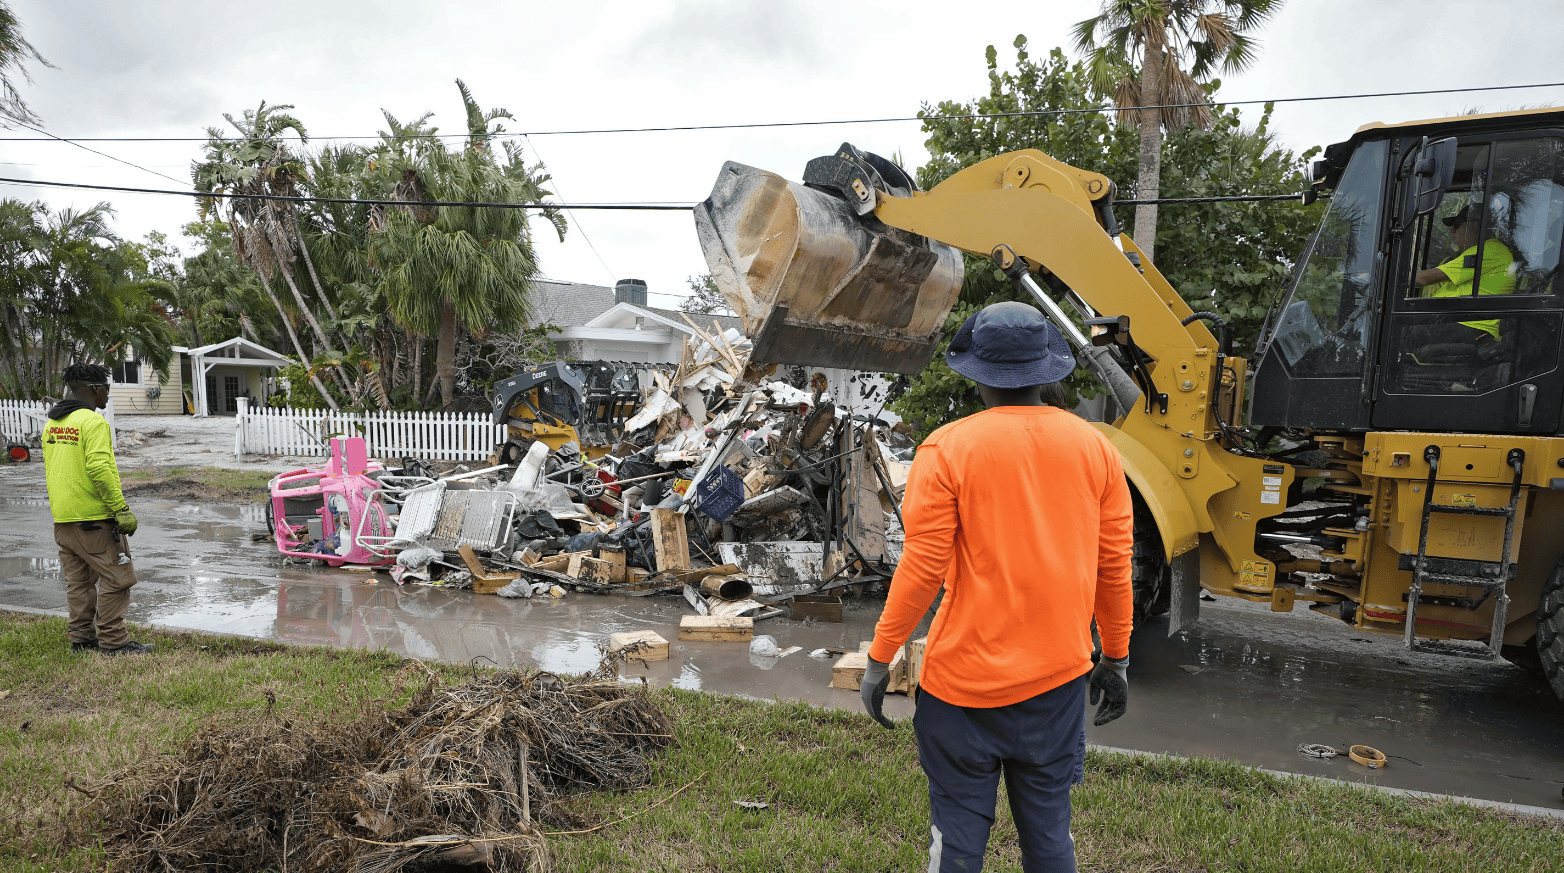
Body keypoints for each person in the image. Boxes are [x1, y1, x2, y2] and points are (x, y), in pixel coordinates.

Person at [859, 301, 1134, 873]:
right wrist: (1117, 656)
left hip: (962, 692)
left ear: (976, 372)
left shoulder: (947, 449)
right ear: (1045, 368)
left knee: (957, 846)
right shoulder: (1097, 451)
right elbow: (1114, 566)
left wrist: (880, 658)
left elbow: (922, 568)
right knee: (1050, 840)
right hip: (1056, 686)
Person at [41, 363, 152, 656]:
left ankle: (81, 638)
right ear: (94, 389)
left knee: (79, 583)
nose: (107, 394)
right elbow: (99, 469)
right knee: (119, 579)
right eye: (106, 388)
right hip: (94, 520)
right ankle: (114, 642)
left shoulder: (54, 423)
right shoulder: (92, 422)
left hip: (63, 520)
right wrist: (121, 509)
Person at [1409, 204, 1517, 346]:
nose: (1452, 231)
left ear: (1476, 225)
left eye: (1458, 225)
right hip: (1458, 321)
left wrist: (1388, 277)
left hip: (1472, 326)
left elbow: (1423, 279)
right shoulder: (1484, 250)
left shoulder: (1489, 250)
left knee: (1404, 333)